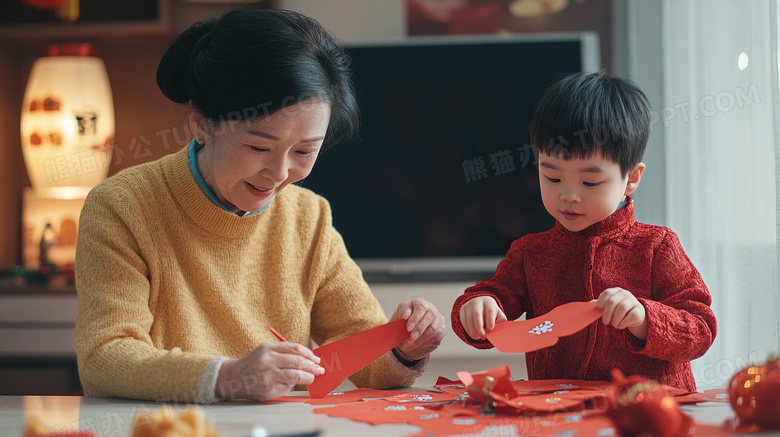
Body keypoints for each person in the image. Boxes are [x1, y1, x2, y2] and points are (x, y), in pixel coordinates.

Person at [74, 8, 445, 403]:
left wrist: (404, 346)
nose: (279, 173)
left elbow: (358, 353)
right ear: (201, 124)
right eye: (258, 147)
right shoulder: (122, 207)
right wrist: (227, 376)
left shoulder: (309, 217)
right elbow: (105, 356)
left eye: (304, 151)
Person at [452, 71, 716, 391]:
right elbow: (491, 297)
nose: (569, 195)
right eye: (552, 178)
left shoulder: (657, 246)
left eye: (590, 182)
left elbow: (700, 329)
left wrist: (644, 319)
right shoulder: (530, 252)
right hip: (558, 412)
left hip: (648, 414)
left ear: (631, 179)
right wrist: (477, 306)